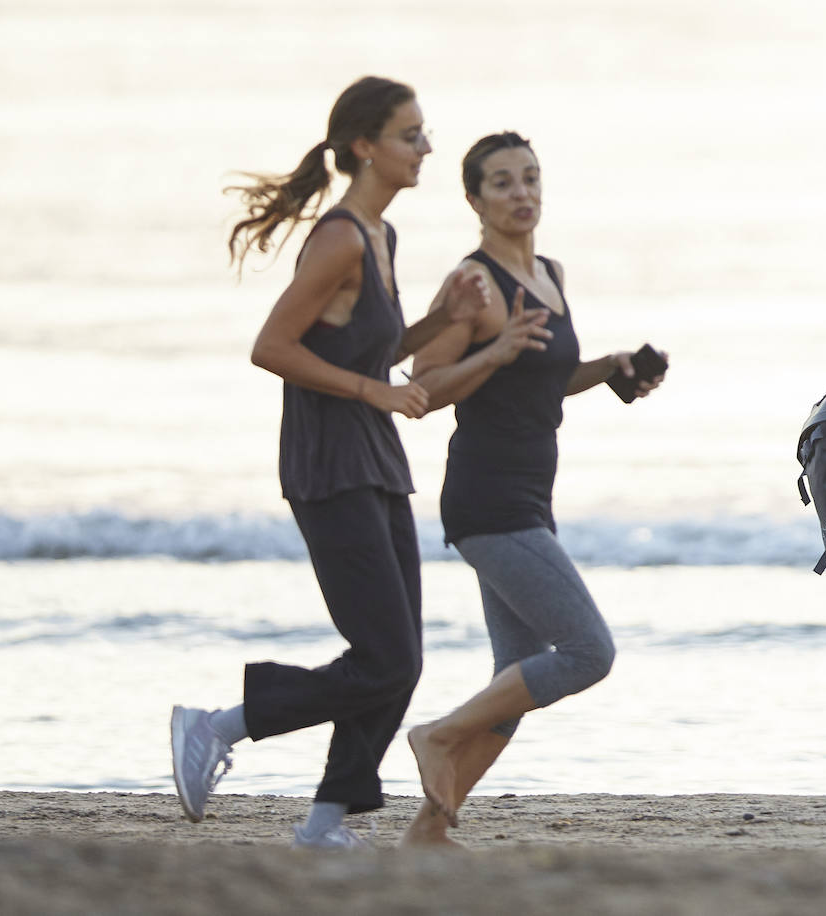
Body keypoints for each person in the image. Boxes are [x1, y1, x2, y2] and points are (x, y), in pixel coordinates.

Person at [169, 76, 489, 848]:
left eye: (423, 133)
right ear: (363, 147)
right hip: (328, 462)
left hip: (372, 458)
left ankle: (322, 823)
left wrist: (438, 323)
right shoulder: (341, 235)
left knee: (399, 659)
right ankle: (220, 725)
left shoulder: (382, 238)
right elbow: (271, 348)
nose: (425, 148)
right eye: (410, 135)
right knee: (383, 657)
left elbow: (366, 347)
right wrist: (373, 394)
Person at [398, 131, 666, 846]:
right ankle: (437, 734)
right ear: (474, 199)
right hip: (487, 498)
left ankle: (426, 834)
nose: (521, 193)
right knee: (588, 653)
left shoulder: (550, 271)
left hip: (527, 496)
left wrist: (611, 367)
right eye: (503, 183)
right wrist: (495, 348)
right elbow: (422, 386)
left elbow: (543, 379)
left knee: (512, 687)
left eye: (530, 178)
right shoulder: (474, 283)